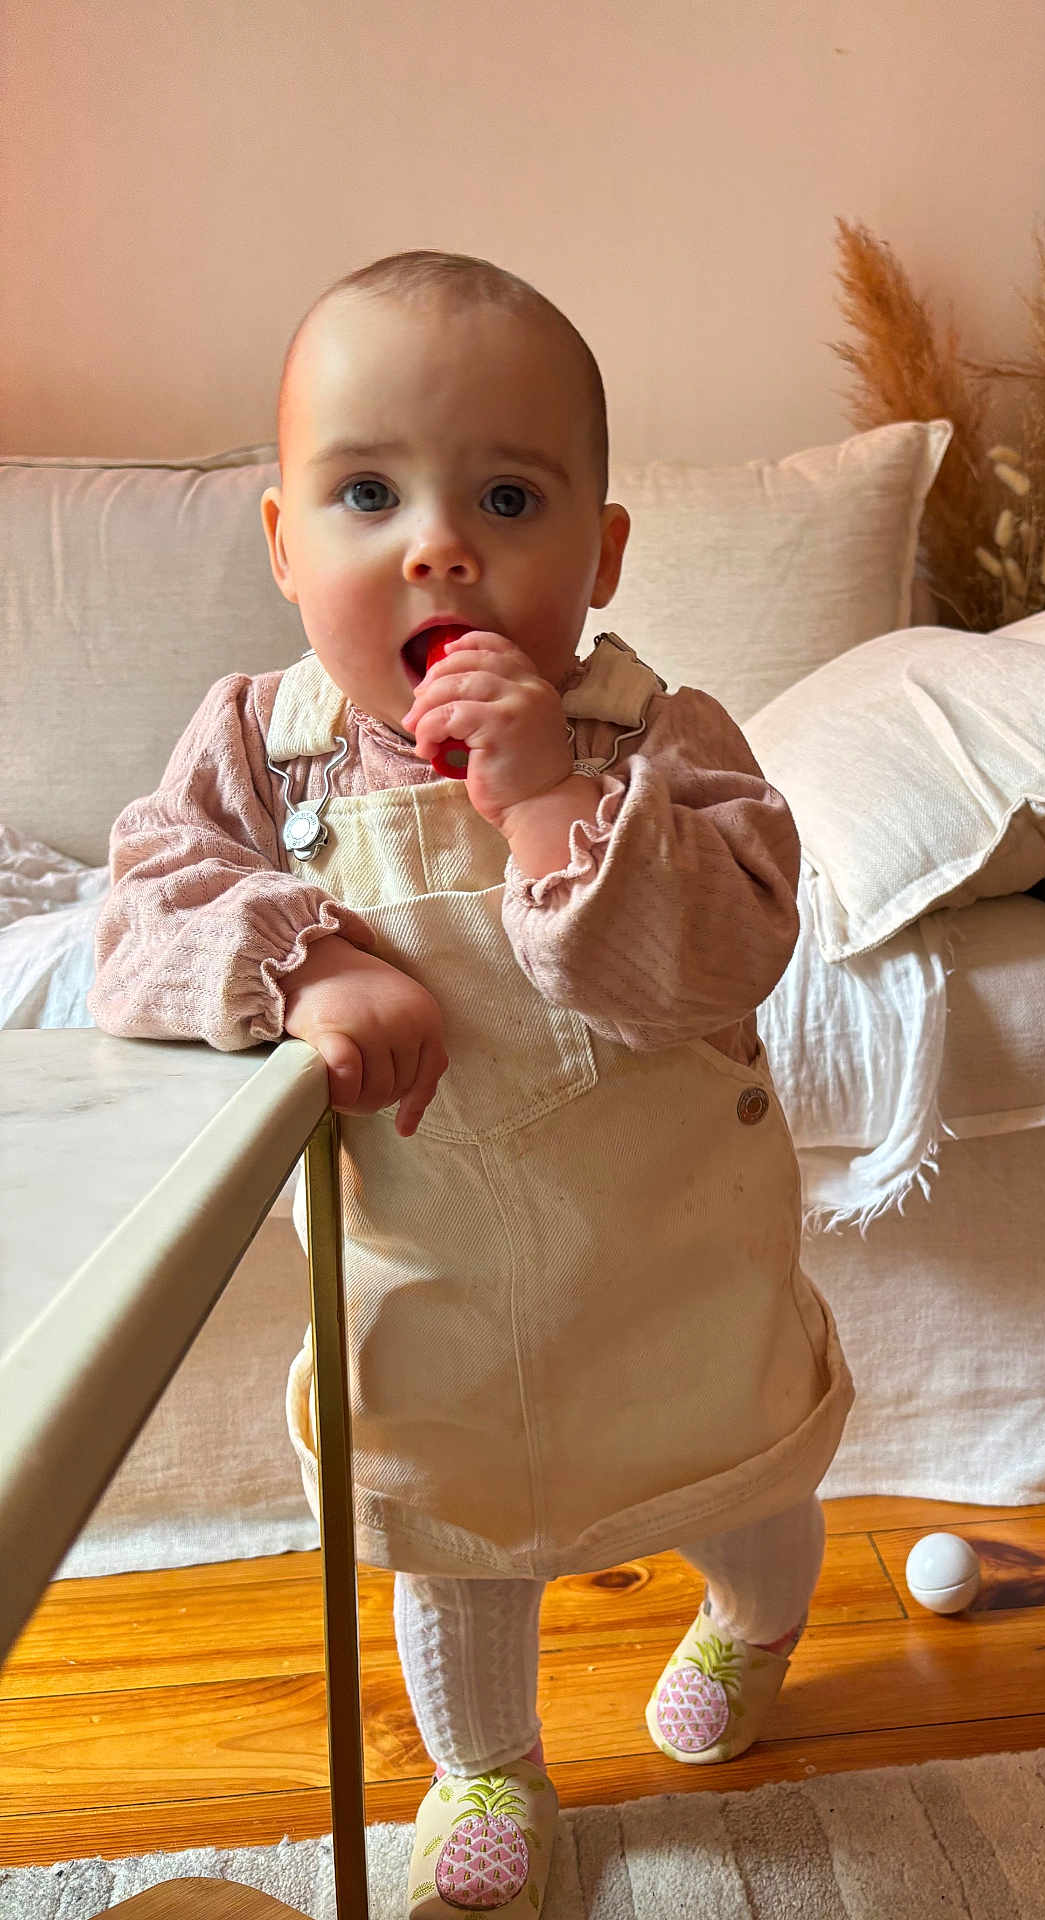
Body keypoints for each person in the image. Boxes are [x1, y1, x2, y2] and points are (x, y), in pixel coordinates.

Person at [89, 250, 852, 1919]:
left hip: (675, 1258)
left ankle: (757, 1619)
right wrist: (304, 958)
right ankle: (487, 1764)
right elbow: (131, 920)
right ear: (286, 543)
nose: (439, 543)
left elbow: (726, 953)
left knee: (747, 1480)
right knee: (449, 1534)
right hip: (429, 1278)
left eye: (507, 494)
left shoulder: (662, 738)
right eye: (368, 491)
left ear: (601, 553)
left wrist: (550, 807)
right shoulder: (256, 747)